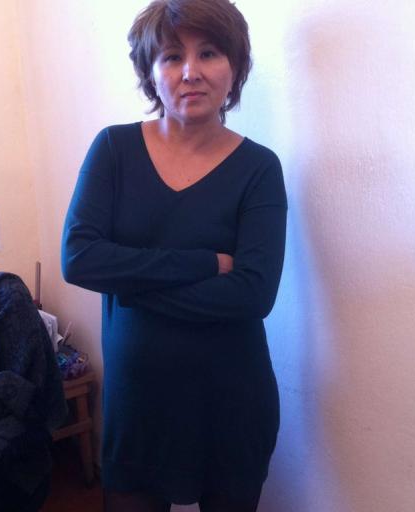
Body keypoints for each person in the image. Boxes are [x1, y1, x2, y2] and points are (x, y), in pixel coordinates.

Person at [61, 1, 287, 510]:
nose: (190, 72)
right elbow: (79, 259)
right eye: (171, 56)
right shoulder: (113, 150)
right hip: (138, 406)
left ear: (235, 67)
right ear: (150, 72)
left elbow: (252, 295)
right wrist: (205, 264)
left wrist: (129, 284)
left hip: (232, 403)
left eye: (208, 53)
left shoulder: (259, 168)